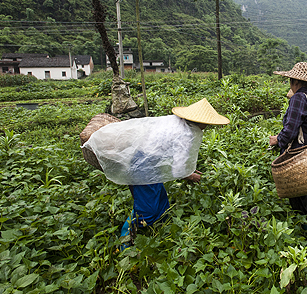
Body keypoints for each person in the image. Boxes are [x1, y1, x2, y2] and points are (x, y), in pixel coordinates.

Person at [85, 98, 230, 250]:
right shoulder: (187, 134)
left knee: (161, 202)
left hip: (147, 161)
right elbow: (178, 168)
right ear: (200, 121)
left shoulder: (177, 122)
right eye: (207, 123)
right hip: (142, 165)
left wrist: (189, 172)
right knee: (147, 211)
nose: (207, 126)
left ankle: (162, 232)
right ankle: (125, 238)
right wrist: (190, 175)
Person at [269, 62, 307, 242]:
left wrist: (277, 140)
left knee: (297, 196)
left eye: (290, 81)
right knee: (301, 195)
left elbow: (290, 131)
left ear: (296, 81)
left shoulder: (299, 98)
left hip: (300, 153)